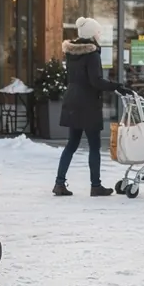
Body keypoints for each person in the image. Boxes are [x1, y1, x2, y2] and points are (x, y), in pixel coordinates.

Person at [52, 16, 129, 197]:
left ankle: (59, 183)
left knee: (72, 144)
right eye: (98, 32)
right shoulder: (92, 54)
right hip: (87, 104)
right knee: (94, 146)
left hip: (72, 101)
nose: (99, 35)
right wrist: (117, 86)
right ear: (92, 34)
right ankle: (96, 186)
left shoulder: (72, 53)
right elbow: (96, 81)